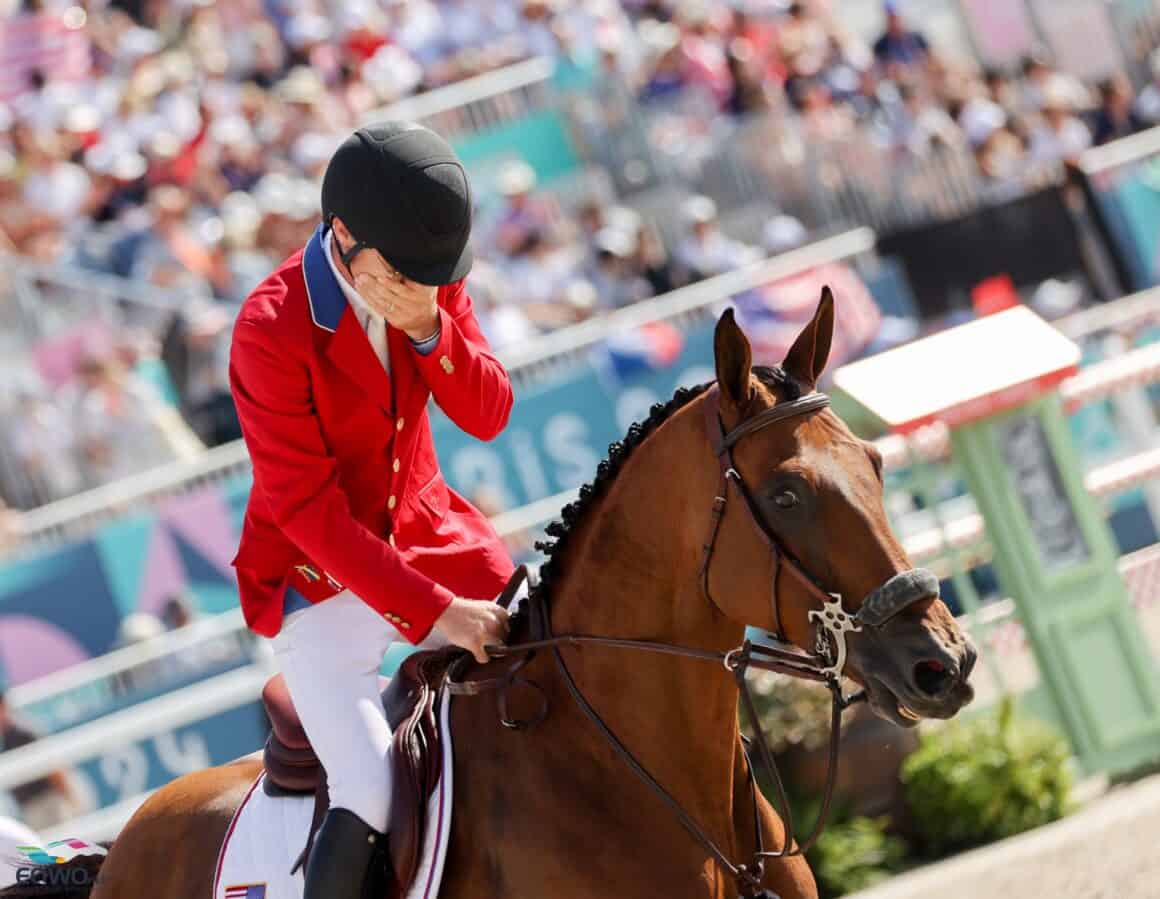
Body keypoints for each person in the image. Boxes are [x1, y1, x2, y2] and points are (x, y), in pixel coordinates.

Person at [229, 121, 514, 899]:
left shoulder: (422, 271)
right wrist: (437, 610)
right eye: (410, 277)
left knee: (567, 653)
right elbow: (310, 514)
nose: (426, 285)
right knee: (373, 786)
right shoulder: (268, 330)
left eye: (437, 277)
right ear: (343, 236)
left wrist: (429, 329)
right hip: (317, 576)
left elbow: (490, 412)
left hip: (434, 536)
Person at [0, 687, 82, 832]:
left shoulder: (21, 732)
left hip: (48, 802)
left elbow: (53, 768)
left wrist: (71, 800)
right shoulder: (8, 736)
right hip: (33, 808)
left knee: (65, 847)